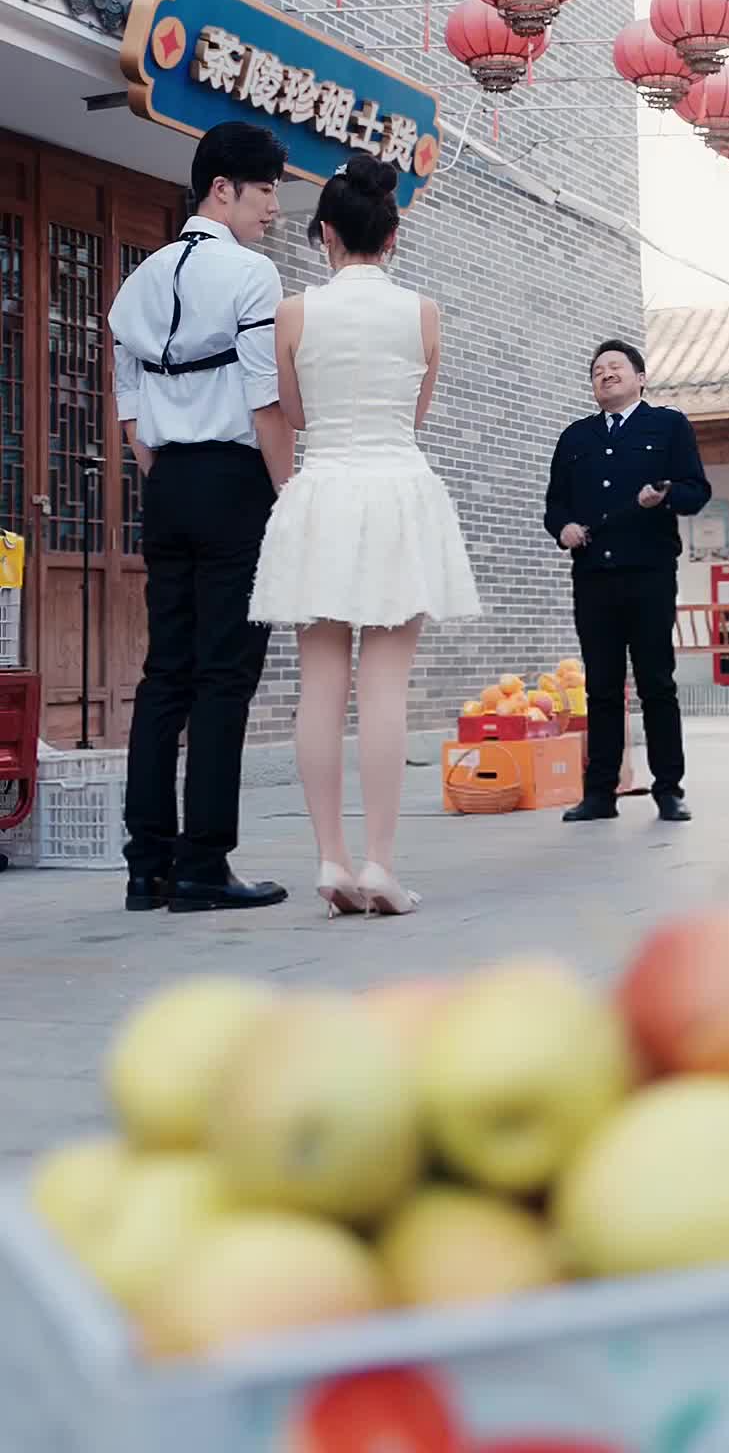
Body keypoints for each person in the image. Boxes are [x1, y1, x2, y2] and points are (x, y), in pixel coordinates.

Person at [249, 153, 479, 917]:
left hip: (323, 491)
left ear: (325, 234)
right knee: (385, 687)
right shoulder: (424, 313)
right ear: (392, 236)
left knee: (320, 686)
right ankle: (381, 863)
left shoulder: (293, 312)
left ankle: (331, 857)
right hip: (397, 491)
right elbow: (416, 415)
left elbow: (295, 414)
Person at [110, 121, 295, 914]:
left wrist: (168, 475)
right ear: (223, 188)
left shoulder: (138, 279)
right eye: (266, 190)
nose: (275, 208)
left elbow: (129, 411)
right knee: (224, 677)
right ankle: (203, 866)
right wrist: (288, 496)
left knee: (165, 675)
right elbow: (265, 401)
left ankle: (146, 866)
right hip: (233, 483)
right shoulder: (252, 275)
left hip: (167, 485)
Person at [544, 339, 710, 824]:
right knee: (601, 686)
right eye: (598, 370)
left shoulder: (668, 426)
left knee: (656, 682)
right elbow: (555, 504)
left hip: (650, 572)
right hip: (593, 576)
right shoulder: (575, 437)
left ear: (641, 378)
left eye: (616, 366)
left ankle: (669, 789)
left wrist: (666, 495)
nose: (606, 374)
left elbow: (696, 491)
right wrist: (563, 529)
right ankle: (600, 793)